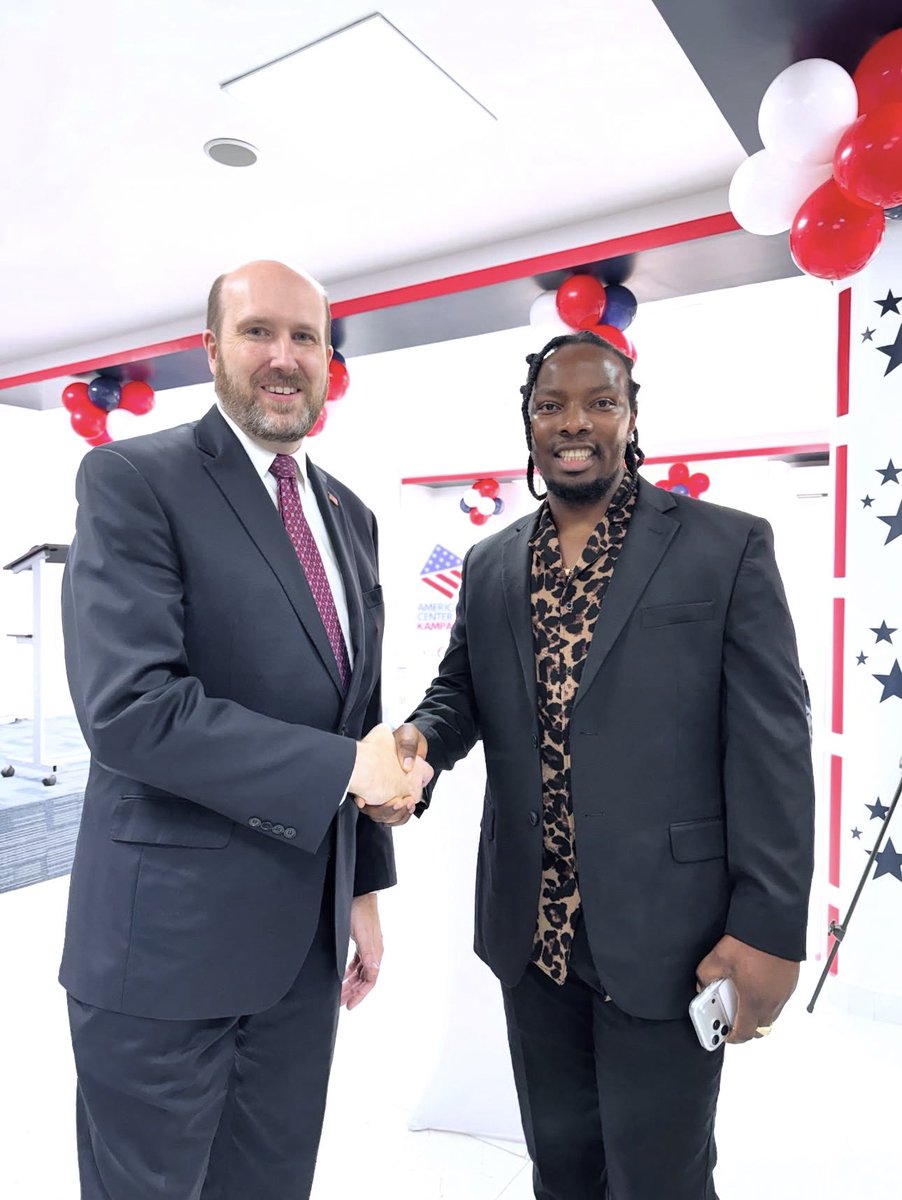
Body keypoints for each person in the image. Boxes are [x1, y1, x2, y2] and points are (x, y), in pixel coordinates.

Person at [363, 330, 815, 1199]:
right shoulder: (492, 562)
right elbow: (460, 691)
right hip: (533, 939)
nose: (575, 423)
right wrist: (420, 742)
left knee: (662, 1179)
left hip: (671, 936)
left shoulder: (726, 547)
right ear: (528, 424)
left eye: (599, 402)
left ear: (631, 415)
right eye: (551, 406)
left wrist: (768, 927)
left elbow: (775, 750)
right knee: (561, 1168)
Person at [59, 259, 429, 1200]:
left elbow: (355, 713)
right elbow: (132, 712)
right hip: (165, 957)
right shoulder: (134, 479)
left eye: (307, 337)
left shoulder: (351, 515)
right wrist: (351, 769)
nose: (285, 356)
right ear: (212, 348)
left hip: (302, 953)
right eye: (260, 331)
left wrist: (363, 888)